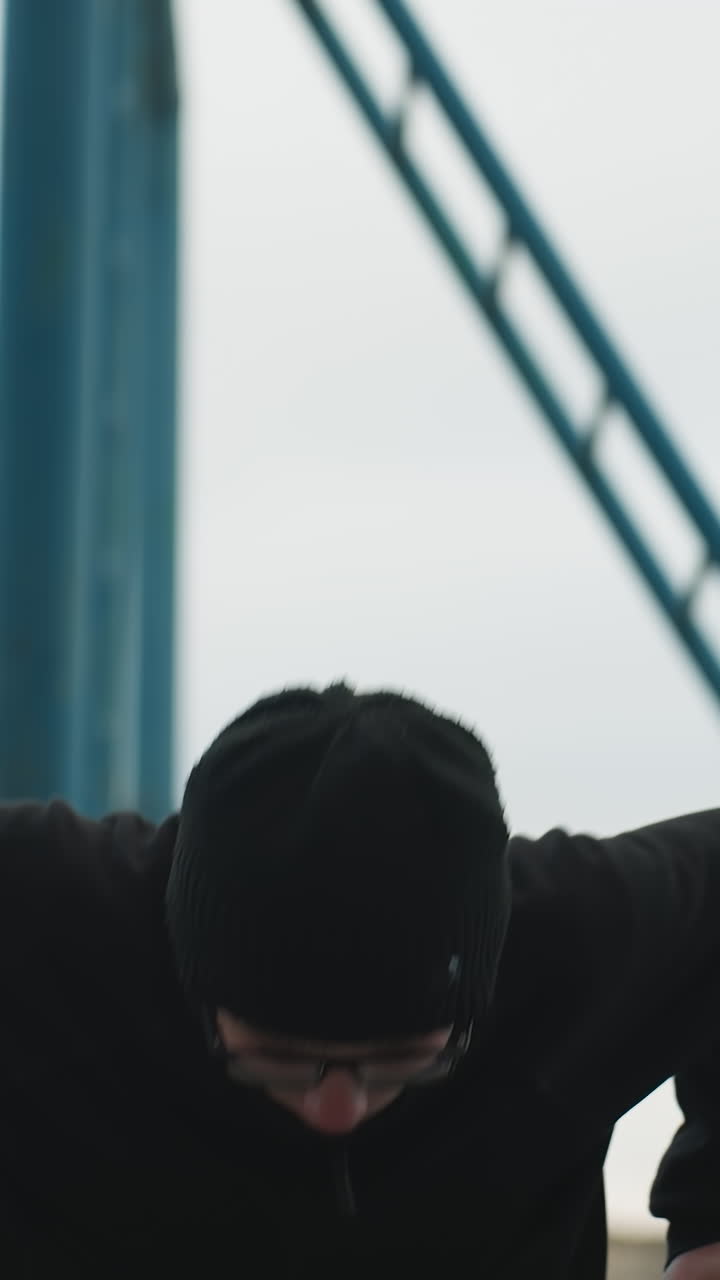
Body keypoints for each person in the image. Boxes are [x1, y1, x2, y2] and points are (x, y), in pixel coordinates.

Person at [1, 681, 719, 1279]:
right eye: (274, 1054)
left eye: (405, 1058)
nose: (337, 1109)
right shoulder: (54, 918)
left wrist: (707, 1221)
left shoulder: (575, 946)